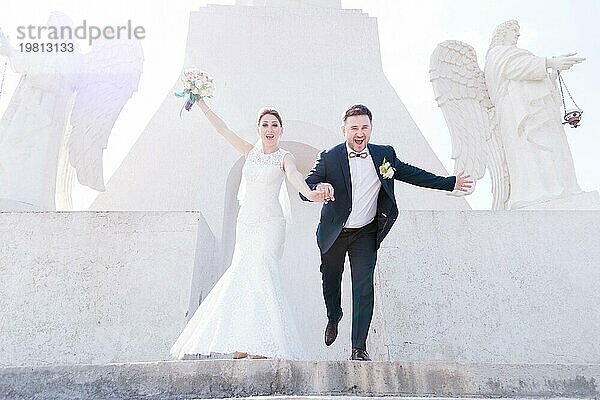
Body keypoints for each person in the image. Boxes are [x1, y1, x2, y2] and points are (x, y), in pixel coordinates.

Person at [302, 104, 473, 361]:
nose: (359, 133)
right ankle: (333, 316)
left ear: (370, 128)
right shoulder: (329, 156)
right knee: (331, 282)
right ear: (344, 130)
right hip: (334, 233)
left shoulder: (384, 155)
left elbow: (412, 174)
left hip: (366, 233)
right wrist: (319, 187)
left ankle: (358, 347)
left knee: (363, 288)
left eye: (364, 127)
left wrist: (449, 183)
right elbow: (307, 186)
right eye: (354, 128)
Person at [170, 99, 324, 360]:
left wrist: (309, 192)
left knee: (263, 269)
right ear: (258, 129)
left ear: (281, 130)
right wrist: (202, 103)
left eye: (275, 125)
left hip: (271, 224)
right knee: (244, 277)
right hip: (247, 223)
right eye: (265, 124)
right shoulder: (249, 152)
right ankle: (244, 342)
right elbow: (223, 129)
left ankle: (264, 344)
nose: (270, 128)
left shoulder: (285, 157)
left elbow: (294, 175)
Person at [484, 20, 585, 209]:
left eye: (518, 31)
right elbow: (516, 68)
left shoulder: (518, 56)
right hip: (517, 116)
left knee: (551, 149)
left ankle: (561, 188)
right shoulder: (496, 55)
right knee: (530, 153)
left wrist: (551, 76)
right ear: (502, 33)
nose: (517, 35)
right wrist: (548, 62)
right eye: (514, 30)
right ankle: (534, 192)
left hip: (536, 112)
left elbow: (531, 74)